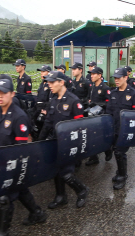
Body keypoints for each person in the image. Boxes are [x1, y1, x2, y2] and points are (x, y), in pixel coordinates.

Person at [0, 76, 47, 236]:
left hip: (15, 164)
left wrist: (11, 170)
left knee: (5, 198)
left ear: (12, 94)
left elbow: (21, 149)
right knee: (21, 191)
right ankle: (37, 213)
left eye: (4, 93)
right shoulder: (1, 112)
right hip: (2, 162)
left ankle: (3, 231)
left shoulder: (19, 116)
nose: (0, 96)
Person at [38, 71, 88, 209]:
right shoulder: (53, 99)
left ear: (61, 82)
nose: (49, 85)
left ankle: (82, 190)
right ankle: (61, 197)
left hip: (69, 143)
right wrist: (39, 141)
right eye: (48, 82)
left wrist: (78, 148)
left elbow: (80, 127)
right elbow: (48, 122)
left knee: (66, 174)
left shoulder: (74, 101)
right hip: (55, 141)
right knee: (56, 170)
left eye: (52, 82)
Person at [105, 67, 135, 190]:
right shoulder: (113, 93)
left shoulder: (133, 94)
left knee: (120, 152)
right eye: (115, 78)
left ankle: (123, 176)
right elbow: (109, 111)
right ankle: (119, 172)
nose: (116, 80)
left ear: (126, 77)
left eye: (119, 78)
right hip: (114, 129)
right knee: (116, 151)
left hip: (125, 130)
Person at [85, 66, 112, 166]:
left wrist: (98, 104)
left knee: (100, 137)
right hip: (92, 115)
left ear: (100, 75)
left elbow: (109, 103)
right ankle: (94, 157)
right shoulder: (91, 86)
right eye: (91, 74)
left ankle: (108, 149)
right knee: (92, 136)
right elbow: (89, 97)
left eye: (93, 74)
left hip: (101, 116)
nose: (91, 76)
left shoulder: (105, 88)